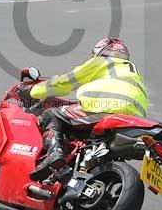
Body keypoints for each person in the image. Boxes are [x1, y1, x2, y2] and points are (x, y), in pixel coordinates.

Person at [15, 38, 148, 181]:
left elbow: (65, 83)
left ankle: (54, 153)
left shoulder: (102, 62)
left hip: (104, 108)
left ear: (100, 51)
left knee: (50, 115)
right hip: (132, 119)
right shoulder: (132, 72)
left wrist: (32, 91)